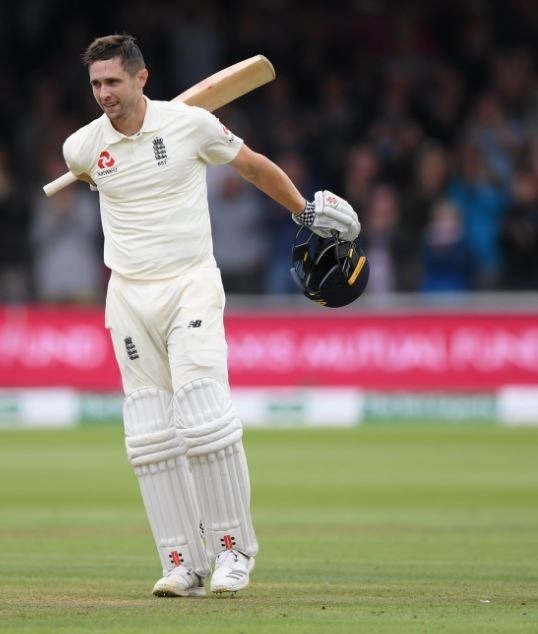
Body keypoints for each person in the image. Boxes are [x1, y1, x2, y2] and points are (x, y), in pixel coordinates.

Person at [59, 34, 360, 597]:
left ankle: (232, 553)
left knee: (203, 419)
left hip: (190, 284)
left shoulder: (189, 124)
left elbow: (250, 166)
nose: (104, 94)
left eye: (114, 83)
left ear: (140, 78)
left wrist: (304, 211)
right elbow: (90, 170)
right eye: (96, 84)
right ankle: (182, 562)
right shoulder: (81, 148)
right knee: (148, 436)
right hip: (127, 296)